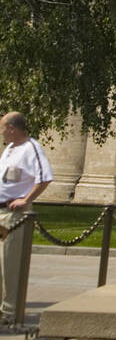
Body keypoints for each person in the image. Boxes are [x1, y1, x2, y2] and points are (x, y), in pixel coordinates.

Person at [0, 112, 54, 323]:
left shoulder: (32, 148)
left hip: (14, 214)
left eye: (3, 127)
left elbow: (45, 178)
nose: (2, 132)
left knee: (10, 264)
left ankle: (10, 312)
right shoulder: (9, 150)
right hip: (1, 211)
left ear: (12, 128)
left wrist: (26, 199)